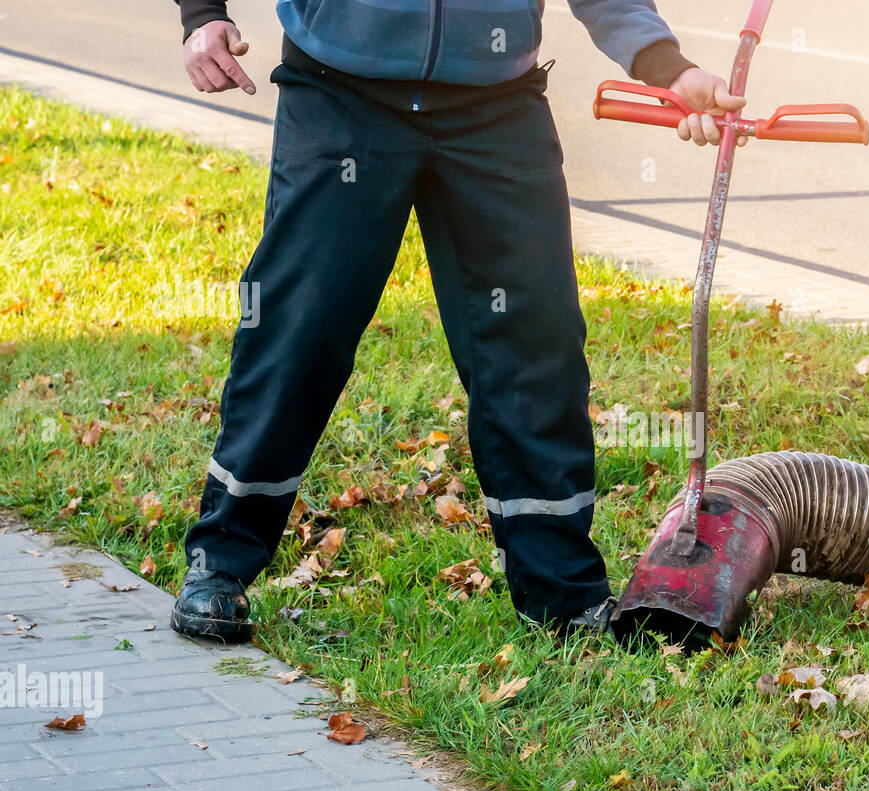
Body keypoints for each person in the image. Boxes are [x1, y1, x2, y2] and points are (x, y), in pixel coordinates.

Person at [168, 0, 744, 642]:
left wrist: (666, 66)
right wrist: (202, 14)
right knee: (298, 328)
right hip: (340, 93)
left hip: (496, 104)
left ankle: (562, 593)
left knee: (536, 342)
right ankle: (218, 564)